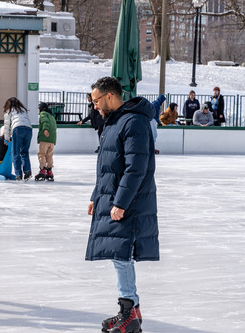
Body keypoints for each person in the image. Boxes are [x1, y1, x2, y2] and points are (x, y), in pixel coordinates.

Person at [86, 76, 159, 333]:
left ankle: (129, 311)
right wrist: (97, 196)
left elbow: (135, 168)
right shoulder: (115, 121)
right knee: (119, 256)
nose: (94, 106)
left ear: (109, 96)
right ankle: (132, 312)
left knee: (122, 255)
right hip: (114, 199)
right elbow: (107, 166)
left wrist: (120, 203)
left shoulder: (134, 122)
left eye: (96, 101)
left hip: (130, 203)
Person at [3, 97, 33, 181]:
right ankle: (27, 171)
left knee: (15, 153)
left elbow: (6, 125)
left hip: (17, 129)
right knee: (24, 152)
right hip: (29, 130)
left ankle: (18, 174)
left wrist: (7, 138)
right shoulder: (23, 110)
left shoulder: (9, 111)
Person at [35, 102, 56, 182]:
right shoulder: (51, 116)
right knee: (49, 155)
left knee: (42, 154)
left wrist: (45, 129)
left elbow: (45, 122)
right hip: (52, 140)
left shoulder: (43, 114)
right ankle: (49, 171)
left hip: (45, 138)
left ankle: (43, 170)